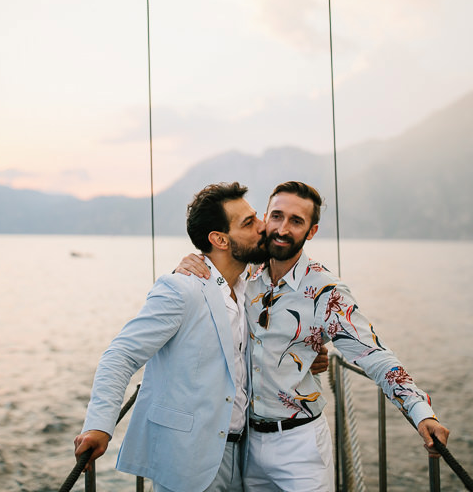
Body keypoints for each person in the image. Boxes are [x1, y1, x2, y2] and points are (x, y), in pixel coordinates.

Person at [177, 181, 450, 492]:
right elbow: (216, 262)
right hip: (248, 447)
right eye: (276, 216)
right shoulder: (248, 273)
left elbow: (374, 354)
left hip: (300, 447)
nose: (281, 229)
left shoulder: (326, 292)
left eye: (296, 221)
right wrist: (190, 262)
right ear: (265, 217)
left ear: (311, 231)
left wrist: (421, 413)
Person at [73, 182, 327, 492]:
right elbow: (120, 355)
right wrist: (100, 425)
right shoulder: (181, 289)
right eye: (249, 223)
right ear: (219, 239)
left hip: (244, 457)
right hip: (188, 459)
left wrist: (306, 354)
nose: (264, 227)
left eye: (256, 216)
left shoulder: (251, 288)